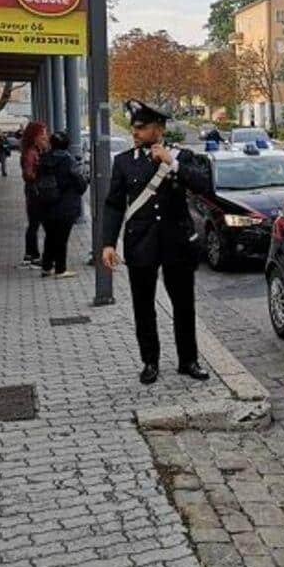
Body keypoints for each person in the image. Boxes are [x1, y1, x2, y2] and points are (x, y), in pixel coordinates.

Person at [101, 100, 212, 385]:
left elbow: (203, 185)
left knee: (184, 305)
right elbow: (114, 205)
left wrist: (171, 163)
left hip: (176, 242)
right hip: (141, 243)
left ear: (159, 129)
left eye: (141, 127)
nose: (135, 132)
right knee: (143, 305)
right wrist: (108, 243)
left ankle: (188, 360)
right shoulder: (124, 161)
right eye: (134, 128)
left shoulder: (182, 157)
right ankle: (150, 361)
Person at [36, 131, 87, 278]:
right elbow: (80, 184)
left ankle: (46, 267)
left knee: (50, 236)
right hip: (66, 206)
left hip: (46, 204)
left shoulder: (44, 159)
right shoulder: (68, 161)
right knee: (61, 239)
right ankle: (60, 269)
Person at [19, 121, 49, 267]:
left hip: (34, 191)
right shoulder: (32, 153)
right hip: (35, 192)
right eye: (42, 134)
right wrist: (41, 172)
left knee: (34, 224)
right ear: (34, 136)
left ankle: (31, 254)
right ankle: (33, 255)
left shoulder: (36, 151)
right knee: (37, 223)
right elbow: (28, 174)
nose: (45, 137)